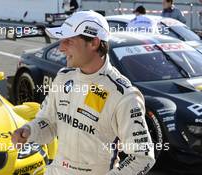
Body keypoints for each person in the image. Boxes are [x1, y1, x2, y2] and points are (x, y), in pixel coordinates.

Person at [12, 10, 155, 175]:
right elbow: (48, 122)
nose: (61, 47)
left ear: (94, 42)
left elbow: (143, 157)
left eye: (69, 41)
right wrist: (30, 131)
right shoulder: (64, 77)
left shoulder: (124, 95)